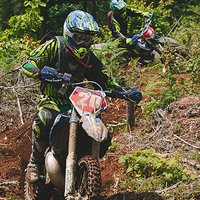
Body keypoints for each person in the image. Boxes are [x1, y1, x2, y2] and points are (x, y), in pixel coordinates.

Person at [22, 10, 142, 183]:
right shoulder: (56, 45)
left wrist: (125, 92)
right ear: (69, 33)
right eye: (79, 37)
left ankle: (82, 166)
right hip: (53, 99)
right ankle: (35, 162)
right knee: (45, 118)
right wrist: (41, 72)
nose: (82, 42)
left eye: (87, 39)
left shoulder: (89, 57)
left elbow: (104, 80)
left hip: (77, 102)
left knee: (104, 136)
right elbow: (28, 63)